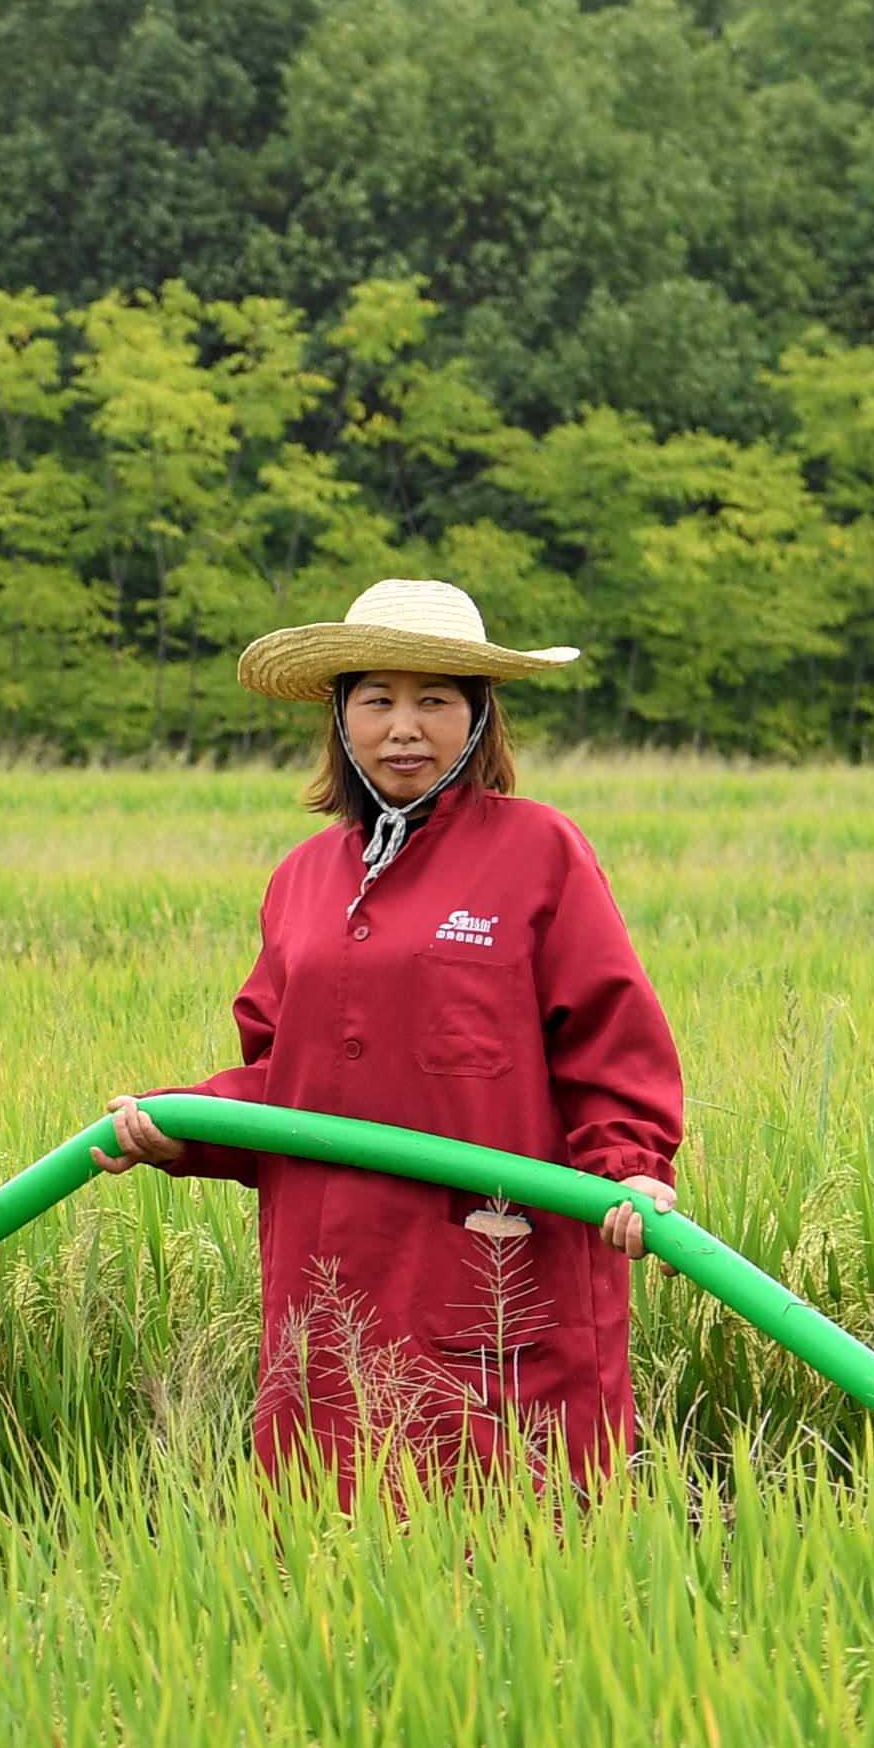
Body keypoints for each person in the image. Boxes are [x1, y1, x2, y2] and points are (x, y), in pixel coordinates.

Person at [102, 575, 686, 1487]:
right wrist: (180, 1123)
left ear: (479, 718)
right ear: (341, 719)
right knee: (331, 1555)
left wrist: (632, 1169)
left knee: (524, 1550)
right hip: (329, 1276)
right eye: (377, 699)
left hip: (496, 1269)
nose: (403, 726)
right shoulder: (303, 878)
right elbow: (281, 1082)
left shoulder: (539, 853)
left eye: (434, 700)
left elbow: (610, 1038)